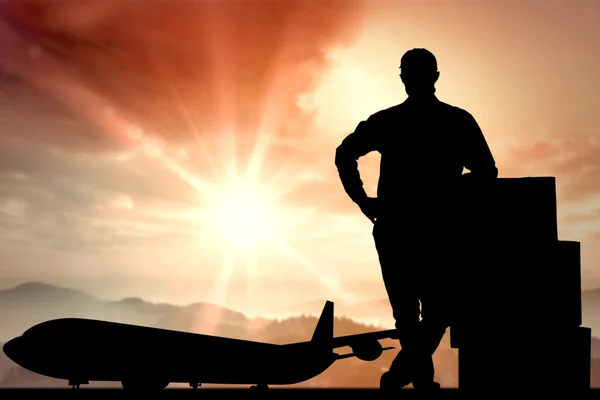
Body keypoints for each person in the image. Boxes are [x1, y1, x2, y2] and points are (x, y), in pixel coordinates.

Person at [334, 48, 498, 393]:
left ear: (406, 78)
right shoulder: (456, 120)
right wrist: (452, 192)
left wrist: (363, 201)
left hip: (402, 229)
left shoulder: (388, 121)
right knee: (435, 312)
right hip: (435, 230)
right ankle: (417, 381)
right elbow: (486, 171)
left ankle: (403, 377)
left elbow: (344, 153)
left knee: (414, 315)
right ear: (434, 77)